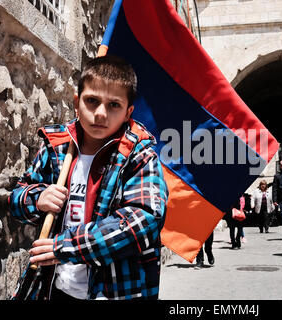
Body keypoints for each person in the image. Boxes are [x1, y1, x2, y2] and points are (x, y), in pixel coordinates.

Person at [9, 55, 168, 300]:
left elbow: (142, 222)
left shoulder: (139, 155)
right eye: (92, 101)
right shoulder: (58, 146)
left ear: (129, 112)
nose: (101, 114)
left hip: (113, 292)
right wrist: (38, 198)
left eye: (114, 104)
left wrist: (64, 247)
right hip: (54, 288)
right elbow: (17, 198)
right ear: (76, 102)